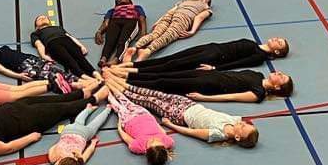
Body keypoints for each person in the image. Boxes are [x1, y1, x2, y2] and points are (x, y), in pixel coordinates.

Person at [104, 70, 259, 147]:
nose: (242, 123)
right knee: (152, 93)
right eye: (245, 124)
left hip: (178, 115)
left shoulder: (218, 134)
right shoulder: (234, 120)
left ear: (237, 137)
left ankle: (110, 87)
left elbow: (190, 132)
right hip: (189, 104)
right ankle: (116, 81)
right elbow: (245, 122)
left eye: (243, 127)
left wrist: (170, 125)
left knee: (146, 99)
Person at [110, 63, 292, 103]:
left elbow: (231, 97)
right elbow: (232, 73)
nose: (279, 73)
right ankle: (125, 76)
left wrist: (204, 97)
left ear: (277, 87)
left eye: (282, 77)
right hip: (207, 75)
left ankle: (123, 82)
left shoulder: (258, 93)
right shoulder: (257, 74)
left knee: (163, 82)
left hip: (207, 86)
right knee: (166, 74)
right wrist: (213, 69)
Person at [130, 35, 289, 73]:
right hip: (211, 47)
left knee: (174, 64)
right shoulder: (254, 43)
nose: (276, 38)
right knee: (172, 57)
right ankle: (133, 65)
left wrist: (214, 68)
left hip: (213, 57)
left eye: (279, 42)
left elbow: (238, 64)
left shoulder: (259, 56)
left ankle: (136, 70)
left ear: (276, 51)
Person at [129, 0, 213, 59]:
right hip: (184, 16)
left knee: (155, 34)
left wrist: (159, 21)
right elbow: (199, 17)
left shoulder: (186, 1)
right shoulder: (206, 7)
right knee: (168, 35)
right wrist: (192, 31)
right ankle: (147, 51)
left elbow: (171, 11)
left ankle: (135, 47)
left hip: (176, 14)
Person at [107, 90, 174, 165]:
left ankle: (107, 92)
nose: (153, 139)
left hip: (128, 120)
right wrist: (153, 119)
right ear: (164, 147)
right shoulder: (168, 142)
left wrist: (119, 128)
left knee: (118, 107)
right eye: (158, 141)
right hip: (144, 115)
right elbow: (162, 131)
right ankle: (113, 89)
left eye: (151, 142)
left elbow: (126, 138)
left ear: (146, 151)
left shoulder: (138, 147)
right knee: (127, 102)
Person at [0, 40, 75, 90]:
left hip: (32, 59)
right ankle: (76, 88)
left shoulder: (1, 49)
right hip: (25, 66)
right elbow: (3, 70)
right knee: (54, 78)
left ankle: (79, 81)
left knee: (59, 72)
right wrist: (19, 76)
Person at [47, 102, 113, 165]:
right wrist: (59, 145)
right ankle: (88, 109)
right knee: (78, 121)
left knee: (96, 123)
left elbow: (89, 151)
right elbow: (52, 148)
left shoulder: (79, 161)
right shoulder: (53, 158)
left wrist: (93, 143)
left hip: (83, 134)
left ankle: (108, 109)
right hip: (68, 130)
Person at [31, 15, 96, 77]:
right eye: (39, 19)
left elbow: (70, 37)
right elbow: (39, 44)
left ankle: (96, 74)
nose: (43, 19)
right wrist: (43, 55)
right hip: (53, 42)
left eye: (45, 17)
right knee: (69, 61)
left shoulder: (58, 28)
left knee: (81, 59)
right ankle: (85, 78)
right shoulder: (36, 33)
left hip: (66, 40)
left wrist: (81, 46)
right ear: (36, 26)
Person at [94, 0, 147, 66]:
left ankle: (116, 59)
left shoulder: (136, 7)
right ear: (116, 2)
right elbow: (106, 23)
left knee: (123, 41)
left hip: (130, 21)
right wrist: (99, 32)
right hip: (114, 22)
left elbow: (142, 18)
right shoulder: (112, 10)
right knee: (109, 41)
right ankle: (103, 59)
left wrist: (143, 32)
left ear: (130, 0)